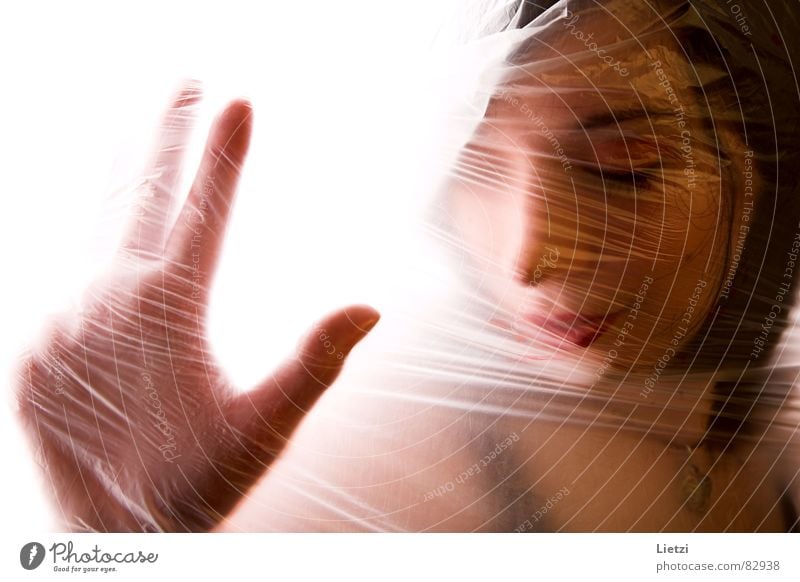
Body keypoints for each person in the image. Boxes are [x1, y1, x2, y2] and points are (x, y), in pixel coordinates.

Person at [15, 0, 800, 532]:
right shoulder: (363, 469)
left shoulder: (773, 383)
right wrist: (110, 547)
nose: (529, 255)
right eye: (472, 167)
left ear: (770, 157)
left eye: (623, 163)